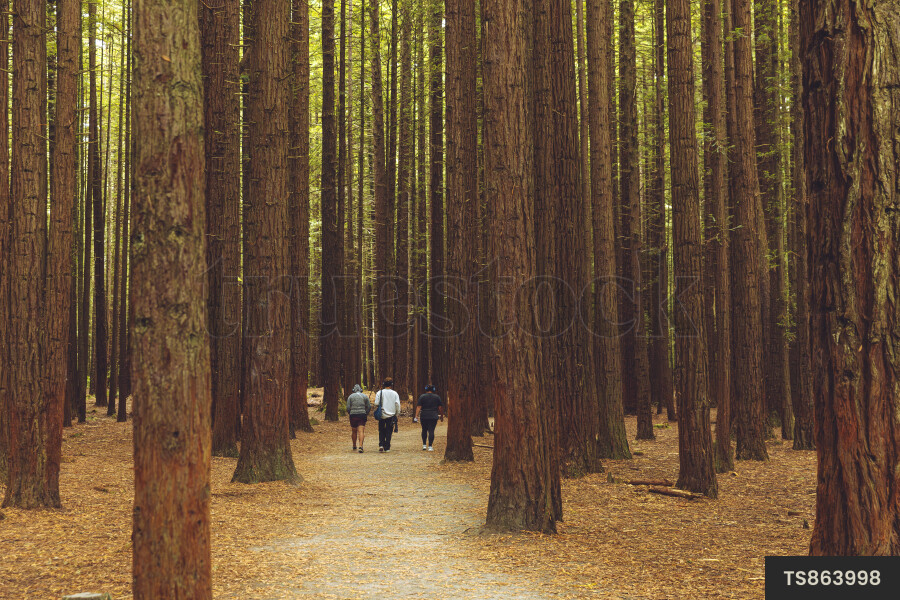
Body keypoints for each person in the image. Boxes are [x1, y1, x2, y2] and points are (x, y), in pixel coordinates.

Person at [374, 378, 402, 452]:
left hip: (381, 414)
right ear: (391, 385)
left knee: (381, 430)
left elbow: (376, 403)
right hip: (391, 415)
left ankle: (381, 444)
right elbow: (397, 404)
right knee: (389, 431)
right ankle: (387, 447)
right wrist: (397, 413)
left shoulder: (379, 392)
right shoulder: (395, 393)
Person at [414, 384, 443, 451]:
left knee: (424, 430)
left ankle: (424, 445)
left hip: (424, 415)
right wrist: (441, 415)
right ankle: (430, 446)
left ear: (426, 389)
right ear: (433, 389)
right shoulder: (437, 397)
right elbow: (440, 407)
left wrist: (416, 415)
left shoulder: (422, 396)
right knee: (431, 430)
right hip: (433, 415)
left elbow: (419, 407)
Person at [346, 384, 370, 453]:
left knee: (354, 431)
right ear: (361, 390)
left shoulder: (350, 396)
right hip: (362, 415)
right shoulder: (365, 396)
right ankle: (360, 446)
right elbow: (368, 406)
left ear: (353, 390)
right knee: (361, 431)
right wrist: (366, 413)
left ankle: (354, 445)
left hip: (353, 415)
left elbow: (348, 407)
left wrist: (350, 413)